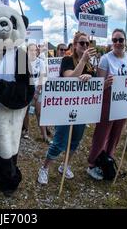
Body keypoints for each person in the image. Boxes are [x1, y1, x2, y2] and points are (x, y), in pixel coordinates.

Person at [38, 32, 96, 184]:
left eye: (87, 44)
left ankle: (65, 165)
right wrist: (82, 62)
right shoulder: (67, 60)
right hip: (65, 106)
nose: (85, 46)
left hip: (82, 107)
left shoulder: (90, 64)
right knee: (60, 140)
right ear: (75, 45)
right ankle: (44, 168)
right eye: (81, 43)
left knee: (76, 139)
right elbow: (69, 78)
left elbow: (95, 83)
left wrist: (90, 76)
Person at [86, 29, 127, 180]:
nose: (118, 43)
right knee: (102, 133)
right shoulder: (105, 59)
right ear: (112, 42)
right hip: (108, 99)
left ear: (125, 41)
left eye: (120, 40)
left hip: (123, 100)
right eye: (115, 40)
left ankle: (108, 158)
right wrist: (105, 84)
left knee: (117, 133)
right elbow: (99, 85)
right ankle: (92, 164)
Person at [22, 43, 49, 142]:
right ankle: (26, 131)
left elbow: (42, 78)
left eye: (35, 50)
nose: (33, 52)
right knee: (25, 112)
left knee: (39, 112)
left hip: (38, 90)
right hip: (27, 90)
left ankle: (44, 135)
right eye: (31, 50)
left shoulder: (41, 62)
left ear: (37, 51)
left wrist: (37, 91)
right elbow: (22, 79)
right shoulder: (23, 62)